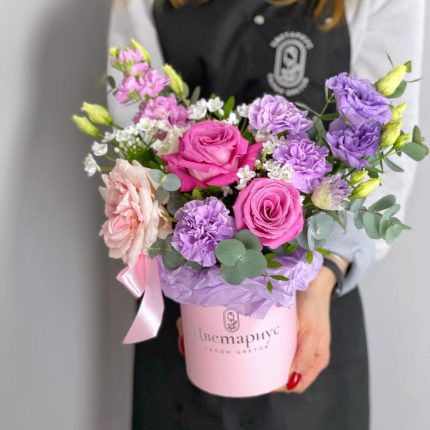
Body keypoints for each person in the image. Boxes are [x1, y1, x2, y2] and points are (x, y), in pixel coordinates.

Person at [107, 0, 425, 429]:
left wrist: (323, 277)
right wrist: (187, 269)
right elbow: (134, 130)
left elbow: (381, 151)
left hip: (312, 303)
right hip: (184, 303)